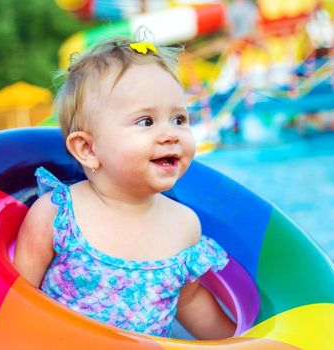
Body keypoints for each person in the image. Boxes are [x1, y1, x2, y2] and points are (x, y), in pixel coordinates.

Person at [13, 37, 236, 339]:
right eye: (146, 121)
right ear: (88, 149)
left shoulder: (185, 225)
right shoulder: (57, 214)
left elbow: (189, 301)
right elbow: (14, 300)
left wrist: (243, 341)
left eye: (179, 118)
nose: (170, 133)